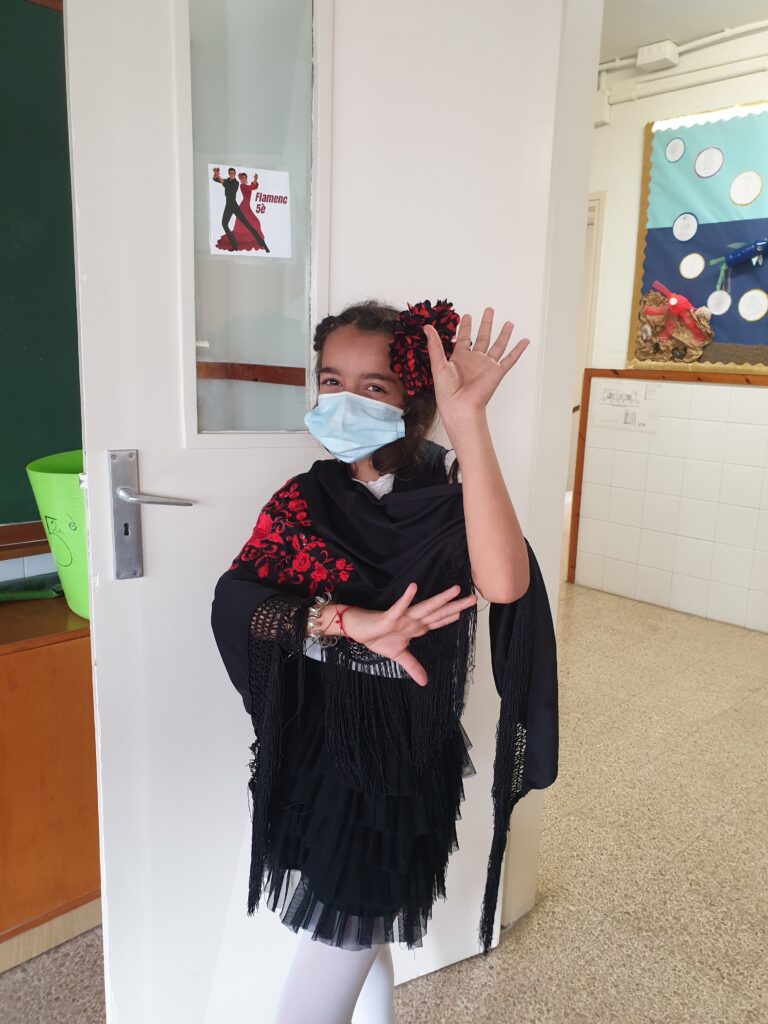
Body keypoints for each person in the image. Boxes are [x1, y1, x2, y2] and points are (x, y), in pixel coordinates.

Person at [210, 298, 559, 1023]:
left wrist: (469, 423)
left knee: (352, 925)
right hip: (316, 737)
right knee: (353, 927)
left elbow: (505, 583)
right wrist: (345, 620)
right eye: (331, 381)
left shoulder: (454, 490)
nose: (344, 401)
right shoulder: (304, 500)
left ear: (412, 397)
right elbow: (238, 599)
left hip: (398, 750)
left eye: (373, 387)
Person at [212, 166, 270, 252]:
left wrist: (255, 180)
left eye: (233, 173)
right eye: (231, 173)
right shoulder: (228, 181)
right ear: (229, 174)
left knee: (248, 225)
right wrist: (215, 174)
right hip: (228, 206)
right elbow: (216, 179)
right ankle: (234, 245)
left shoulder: (236, 183)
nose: (232, 174)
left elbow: (227, 185)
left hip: (235, 206)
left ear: (235, 174)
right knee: (224, 224)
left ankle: (262, 244)